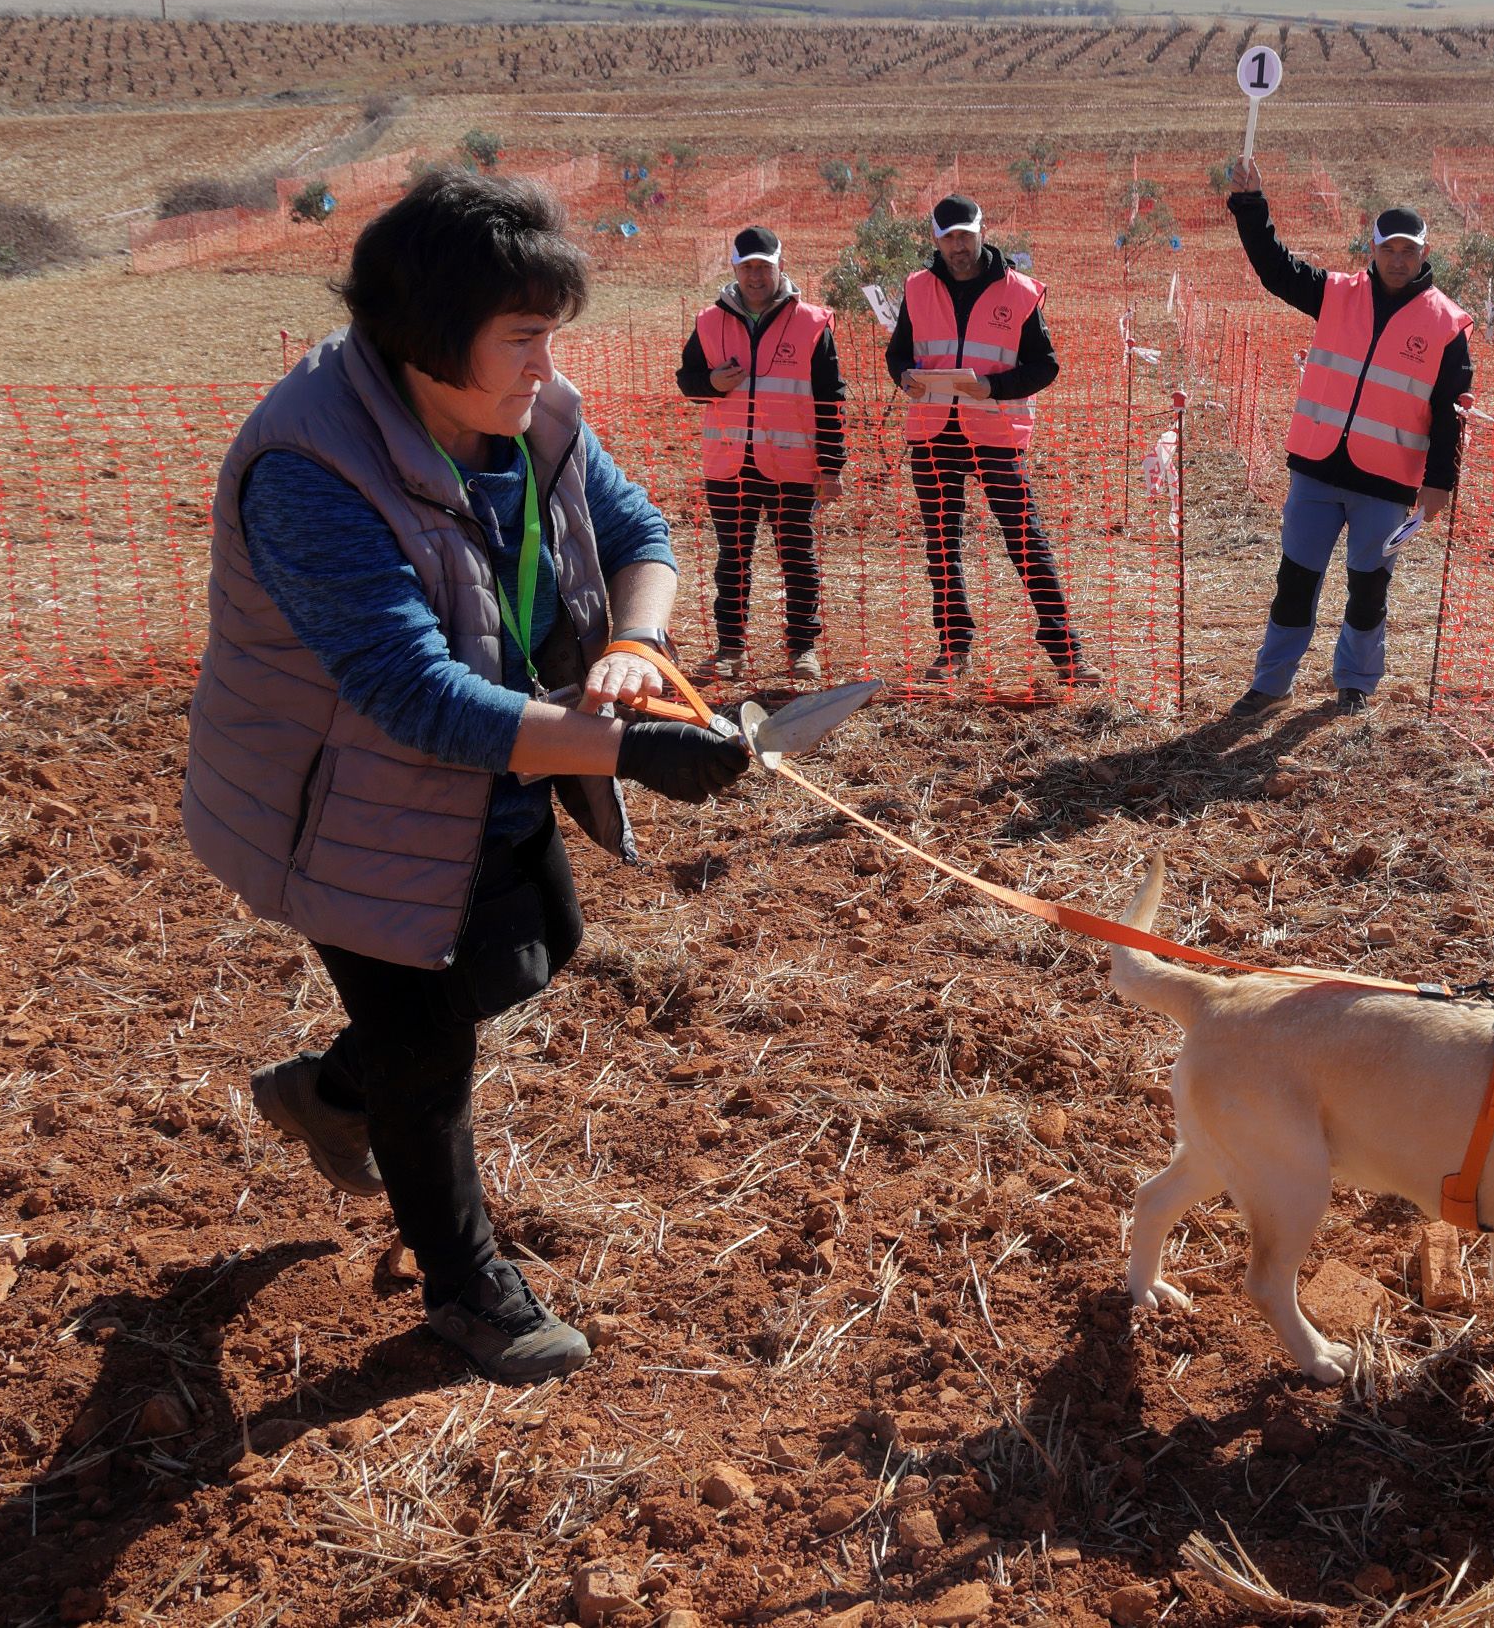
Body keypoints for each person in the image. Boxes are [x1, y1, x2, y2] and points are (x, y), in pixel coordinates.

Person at [182, 168, 752, 1385]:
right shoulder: (309, 471)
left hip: (491, 766)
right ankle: (468, 1291)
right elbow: (410, 694)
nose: (548, 360)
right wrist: (626, 750)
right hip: (344, 801)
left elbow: (640, 531)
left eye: (552, 331)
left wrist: (637, 648)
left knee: (537, 938)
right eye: (524, 334)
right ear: (431, 338)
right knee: (427, 1048)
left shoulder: (535, 415)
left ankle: (334, 1091)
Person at [1223, 156, 1473, 718]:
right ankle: (1271, 683)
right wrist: (1251, 204)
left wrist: (1438, 485)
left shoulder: (1446, 324)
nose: (1399, 260)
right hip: (1316, 470)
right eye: (1389, 249)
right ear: (1373, 249)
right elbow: (1274, 268)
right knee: (1295, 581)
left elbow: (1450, 412)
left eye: (1410, 250)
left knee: (1368, 591)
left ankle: (1356, 682)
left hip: (1386, 485)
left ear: (1425, 253)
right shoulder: (1336, 293)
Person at [885, 193, 1095, 690]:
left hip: (996, 436)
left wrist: (995, 388)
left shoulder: (1019, 292)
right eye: (949, 237)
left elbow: (1046, 366)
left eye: (966, 235)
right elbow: (897, 354)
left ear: (983, 232)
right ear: (936, 239)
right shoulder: (917, 288)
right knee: (941, 544)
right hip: (934, 435)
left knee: (1026, 541)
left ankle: (1066, 651)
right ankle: (953, 648)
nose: (959, 246)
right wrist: (904, 378)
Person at [675, 225, 847, 681]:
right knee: (732, 559)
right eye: (748, 266)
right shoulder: (709, 321)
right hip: (729, 465)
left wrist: (832, 466)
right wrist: (710, 384)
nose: (756, 276)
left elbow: (832, 399)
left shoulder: (811, 323)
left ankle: (802, 650)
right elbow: (687, 380)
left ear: (780, 267)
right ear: (734, 268)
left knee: (797, 557)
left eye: (764, 267)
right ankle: (730, 650)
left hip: (791, 466)